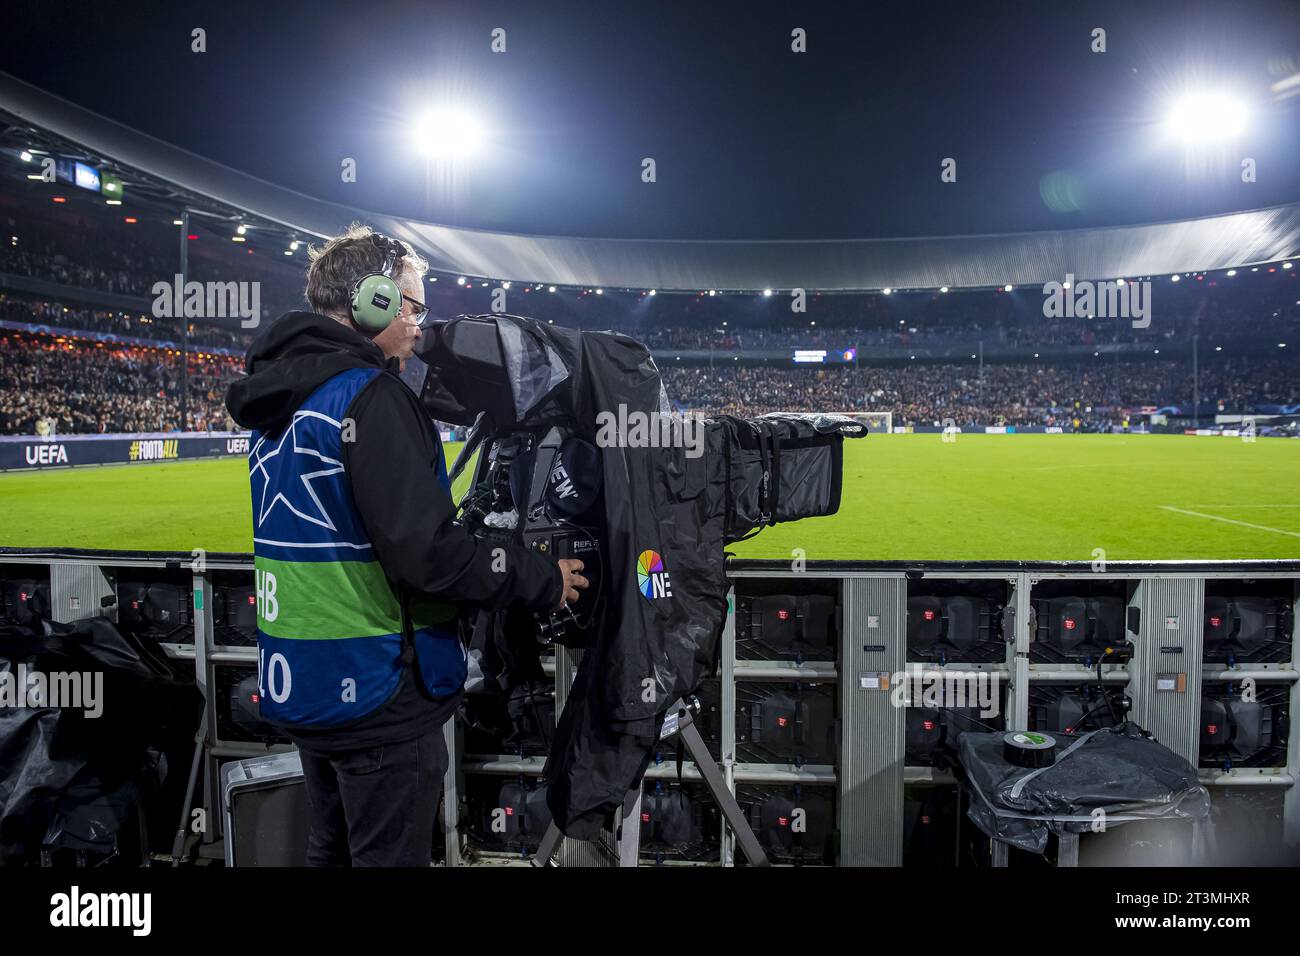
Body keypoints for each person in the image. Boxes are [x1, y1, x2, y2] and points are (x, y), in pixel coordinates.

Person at [225, 224, 586, 866]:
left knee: (329, 851)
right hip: (379, 692)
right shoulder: (373, 397)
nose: (421, 326)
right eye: (414, 306)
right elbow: (430, 557)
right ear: (373, 303)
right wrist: (541, 578)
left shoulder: (283, 397)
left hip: (308, 682)